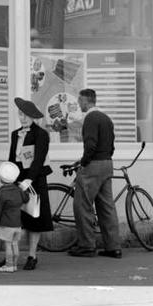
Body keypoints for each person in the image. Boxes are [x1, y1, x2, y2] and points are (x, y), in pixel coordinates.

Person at [67, 88, 121, 259]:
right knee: (107, 207)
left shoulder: (90, 118)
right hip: (107, 163)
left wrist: (83, 163)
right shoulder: (106, 118)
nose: (78, 104)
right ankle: (114, 247)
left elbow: (90, 145)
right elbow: (112, 146)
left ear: (86, 101)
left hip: (94, 165)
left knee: (82, 204)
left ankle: (87, 246)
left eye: (80, 101)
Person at [8, 97, 53, 270]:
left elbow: (39, 159)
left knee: (34, 218)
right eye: (21, 114)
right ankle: (12, 255)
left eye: (26, 115)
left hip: (34, 179)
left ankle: (32, 255)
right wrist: (8, 176)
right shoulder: (15, 134)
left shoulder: (41, 134)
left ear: (33, 117)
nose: (23, 117)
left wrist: (30, 179)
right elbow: (12, 158)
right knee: (15, 219)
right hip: (18, 179)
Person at [0, 162, 26, 273]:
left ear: (1, 178)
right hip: (18, 224)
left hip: (6, 224)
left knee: (8, 245)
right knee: (15, 244)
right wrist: (23, 188)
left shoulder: (1, 193)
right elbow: (26, 199)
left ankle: (9, 265)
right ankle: (15, 264)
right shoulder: (19, 190)